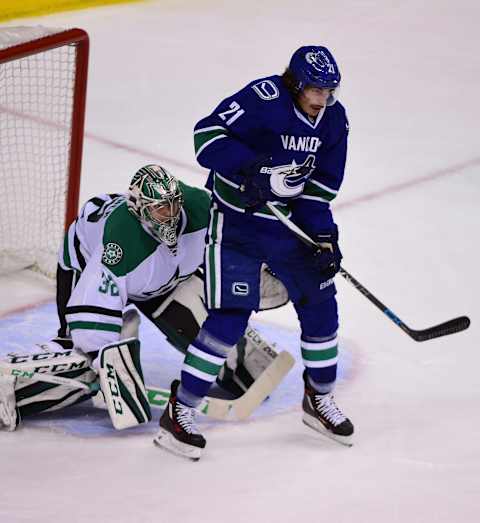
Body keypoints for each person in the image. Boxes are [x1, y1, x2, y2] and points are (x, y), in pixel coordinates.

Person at [155, 45, 354, 459]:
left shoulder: (334, 119)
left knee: (321, 307)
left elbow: (319, 188)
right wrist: (254, 170)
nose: (322, 100)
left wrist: (323, 236)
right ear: (295, 84)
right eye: (315, 90)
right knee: (229, 319)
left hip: (289, 228)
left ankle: (318, 400)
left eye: (329, 91)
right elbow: (206, 135)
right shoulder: (264, 98)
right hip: (238, 225)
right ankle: (181, 411)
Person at [0, 165, 287, 431]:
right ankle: (11, 387)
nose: (171, 214)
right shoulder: (121, 243)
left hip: (165, 279)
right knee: (84, 360)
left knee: (241, 359)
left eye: (174, 203)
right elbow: (92, 314)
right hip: (87, 263)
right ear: (139, 209)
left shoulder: (200, 208)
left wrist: (265, 264)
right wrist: (106, 364)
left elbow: (235, 238)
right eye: (160, 209)